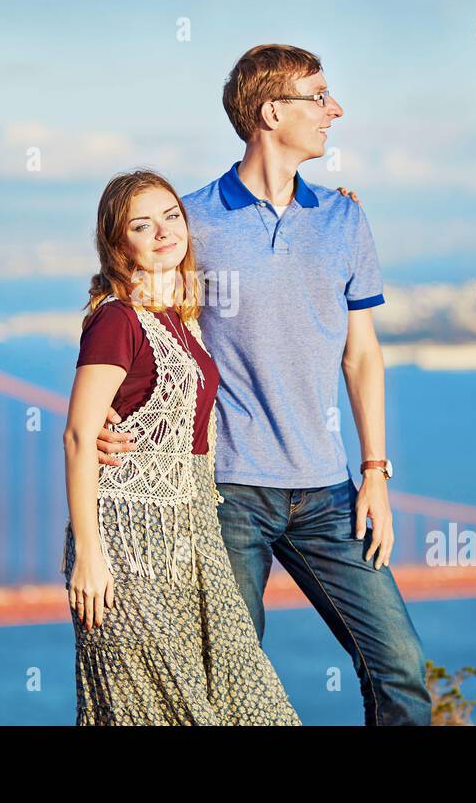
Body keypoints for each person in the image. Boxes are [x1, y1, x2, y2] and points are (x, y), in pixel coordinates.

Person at [97, 44, 433, 726]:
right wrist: (107, 415)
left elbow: (362, 355)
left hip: (328, 490)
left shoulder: (344, 219)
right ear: (271, 111)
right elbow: (137, 322)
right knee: (226, 687)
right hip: (226, 492)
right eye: (320, 97)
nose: (335, 111)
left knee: (401, 668)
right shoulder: (192, 223)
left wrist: (375, 473)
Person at [60, 168, 300, 725]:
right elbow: (78, 434)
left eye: (171, 217)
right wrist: (90, 558)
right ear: (118, 244)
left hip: (194, 543)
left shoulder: (177, 316)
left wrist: (328, 201)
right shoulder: (117, 321)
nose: (164, 232)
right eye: (142, 226)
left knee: (255, 705)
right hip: (127, 549)